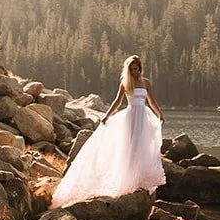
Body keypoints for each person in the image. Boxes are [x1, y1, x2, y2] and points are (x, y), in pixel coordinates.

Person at [50, 55, 166, 207]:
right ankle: (127, 181)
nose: (134, 72)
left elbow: (151, 101)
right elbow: (117, 102)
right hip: (130, 117)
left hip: (143, 117)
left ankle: (139, 180)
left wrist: (160, 114)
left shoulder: (146, 83)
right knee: (130, 147)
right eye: (132, 70)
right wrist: (106, 116)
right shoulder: (126, 83)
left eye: (136, 69)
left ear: (140, 68)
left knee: (141, 147)